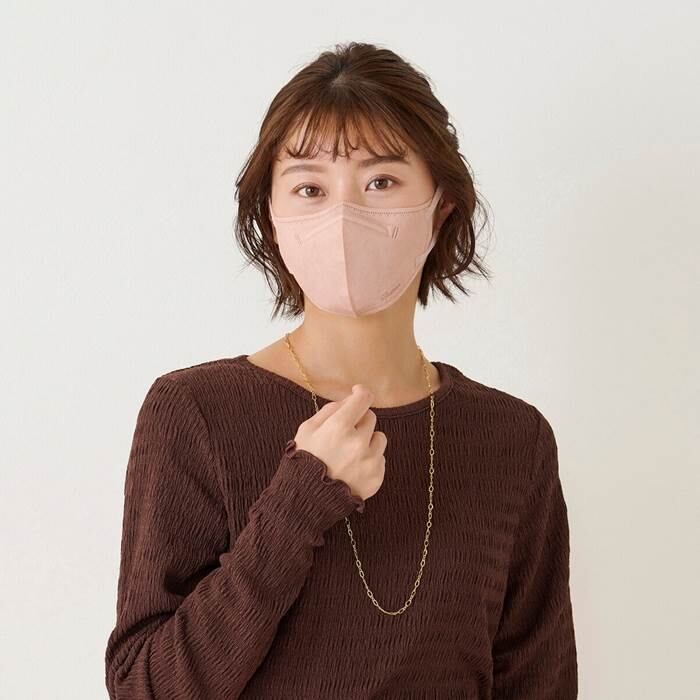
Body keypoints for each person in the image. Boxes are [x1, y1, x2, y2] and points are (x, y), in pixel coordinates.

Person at [104, 41, 578, 699]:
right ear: (272, 216)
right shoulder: (196, 411)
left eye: (381, 181)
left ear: (441, 205)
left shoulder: (511, 439)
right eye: (310, 188)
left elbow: (539, 684)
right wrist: (300, 501)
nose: (343, 215)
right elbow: (145, 689)